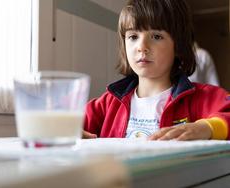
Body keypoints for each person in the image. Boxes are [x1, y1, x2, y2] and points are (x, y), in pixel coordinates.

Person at [83, 0, 230, 141]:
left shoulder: (202, 99)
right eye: (133, 36)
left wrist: (206, 127)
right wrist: (66, 133)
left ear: (178, 46)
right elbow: (66, 124)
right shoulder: (106, 105)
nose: (141, 46)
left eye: (156, 36)